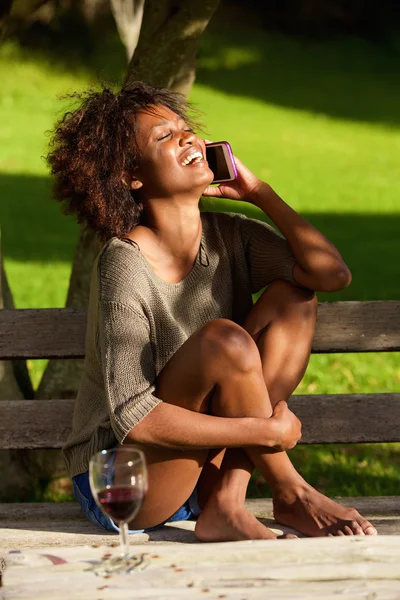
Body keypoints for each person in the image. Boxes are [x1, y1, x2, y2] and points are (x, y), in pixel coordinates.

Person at [49, 82, 377, 540]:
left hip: (207, 466)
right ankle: (291, 490)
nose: (189, 138)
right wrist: (262, 433)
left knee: (294, 298)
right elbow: (133, 417)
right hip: (127, 483)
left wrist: (259, 191)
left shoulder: (231, 236)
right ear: (130, 176)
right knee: (223, 341)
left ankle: (226, 502)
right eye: (164, 137)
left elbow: (330, 275)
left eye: (187, 129)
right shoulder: (123, 263)